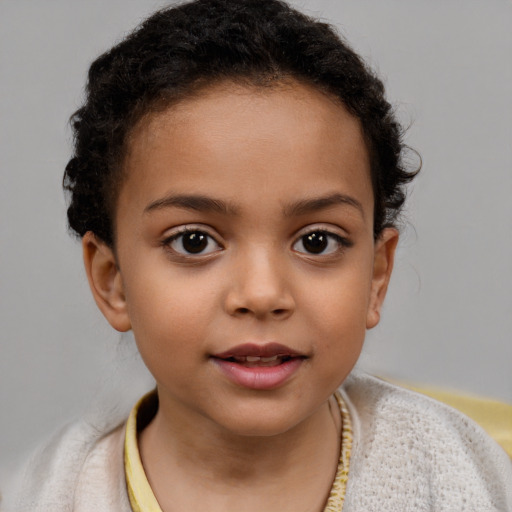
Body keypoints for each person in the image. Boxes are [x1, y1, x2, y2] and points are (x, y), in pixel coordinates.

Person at [7, 0, 512, 510]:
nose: (262, 293)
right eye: (194, 241)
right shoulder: (46, 496)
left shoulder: (470, 480)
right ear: (112, 279)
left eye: (317, 241)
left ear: (376, 276)